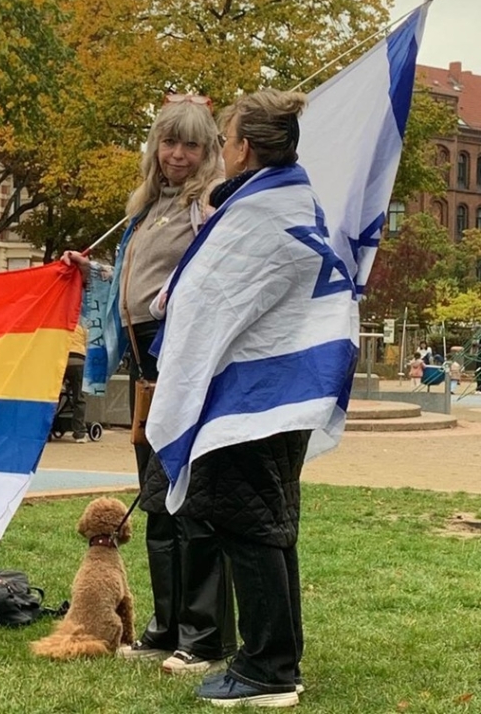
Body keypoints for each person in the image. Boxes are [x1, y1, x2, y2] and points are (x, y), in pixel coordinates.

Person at [171, 89, 335, 707]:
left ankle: (268, 670)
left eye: (225, 136)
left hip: (255, 391)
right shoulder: (286, 197)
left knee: (249, 525)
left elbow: (213, 296)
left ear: (242, 147)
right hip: (282, 388)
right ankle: (277, 658)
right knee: (270, 524)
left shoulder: (259, 211)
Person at [64, 96, 236, 675]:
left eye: (191, 144)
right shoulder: (148, 207)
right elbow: (136, 290)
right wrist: (93, 275)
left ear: (210, 149)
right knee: (159, 501)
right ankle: (165, 626)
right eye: (169, 142)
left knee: (195, 502)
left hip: (186, 366)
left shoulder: (208, 204)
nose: (178, 154)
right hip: (148, 371)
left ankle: (203, 632)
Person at [65, 318, 89, 442]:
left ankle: (47, 429)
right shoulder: (82, 324)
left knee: (55, 396)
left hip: (62, 361)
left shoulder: (61, 324)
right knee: (79, 397)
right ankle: (79, 433)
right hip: (79, 360)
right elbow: (88, 344)